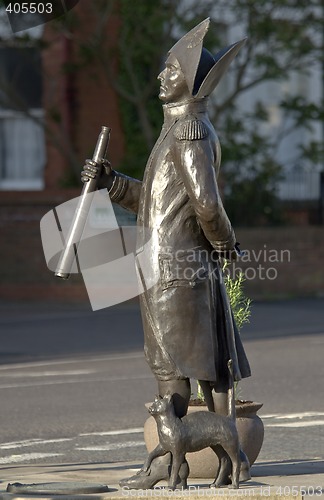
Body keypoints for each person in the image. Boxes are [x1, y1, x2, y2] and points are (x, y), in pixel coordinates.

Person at [82, 18, 251, 489]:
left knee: (180, 366)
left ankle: (177, 463)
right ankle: (191, 461)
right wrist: (113, 184)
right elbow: (159, 204)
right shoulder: (176, 131)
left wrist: (224, 245)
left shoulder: (188, 132)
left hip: (176, 270)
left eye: (170, 69)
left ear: (192, 82)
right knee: (182, 365)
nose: (161, 76)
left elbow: (206, 204)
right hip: (166, 266)